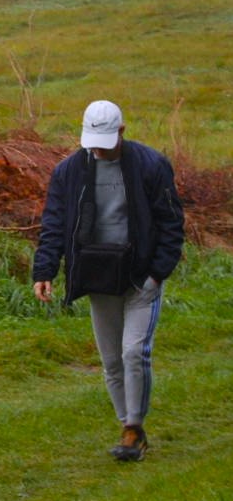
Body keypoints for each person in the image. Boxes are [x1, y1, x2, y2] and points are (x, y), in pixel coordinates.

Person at [32, 100, 184, 461]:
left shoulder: (151, 165)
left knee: (134, 352)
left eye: (105, 140)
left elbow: (171, 223)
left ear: (122, 131)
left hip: (141, 277)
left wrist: (156, 273)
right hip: (97, 276)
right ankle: (126, 426)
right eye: (92, 141)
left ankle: (134, 427)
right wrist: (45, 269)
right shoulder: (69, 172)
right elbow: (54, 222)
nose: (98, 148)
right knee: (112, 360)